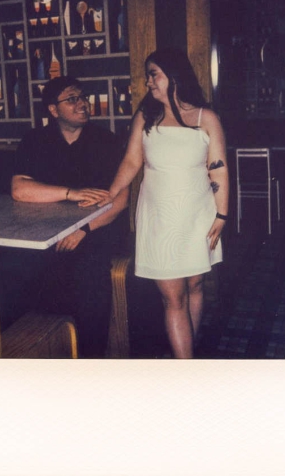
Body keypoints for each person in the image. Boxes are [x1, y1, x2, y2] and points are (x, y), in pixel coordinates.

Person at [100, 49, 227, 358]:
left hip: (198, 215)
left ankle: (187, 351)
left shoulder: (205, 118)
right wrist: (109, 193)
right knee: (173, 298)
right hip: (160, 218)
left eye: (153, 74)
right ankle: (185, 370)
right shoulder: (145, 118)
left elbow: (218, 168)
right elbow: (131, 162)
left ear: (174, 75)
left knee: (195, 286)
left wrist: (222, 214)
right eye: (148, 75)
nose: (148, 82)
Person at [0, 75, 129, 358]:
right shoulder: (35, 140)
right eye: (72, 99)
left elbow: (121, 200)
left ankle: (92, 358)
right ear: (53, 110)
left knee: (89, 273)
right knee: (8, 265)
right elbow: (20, 190)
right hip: (44, 231)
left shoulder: (107, 141)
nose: (82, 104)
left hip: (96, 230)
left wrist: (84, 230)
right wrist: (70, 192)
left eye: (83, 98)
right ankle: (21, 349)